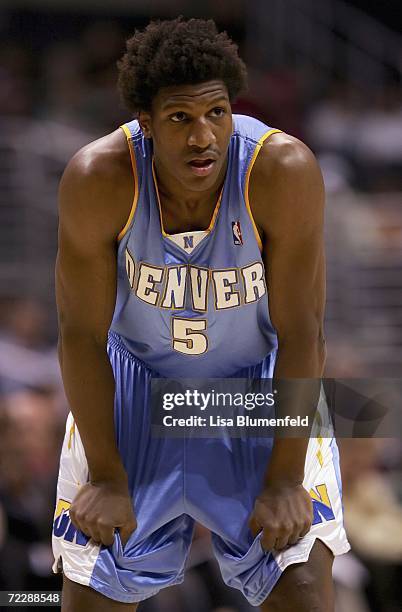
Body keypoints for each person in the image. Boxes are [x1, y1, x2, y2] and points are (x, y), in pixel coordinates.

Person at [52, 17, 350, 612]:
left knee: (305, 593)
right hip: (139, 386)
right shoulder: (99, 177)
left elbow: (301, 334)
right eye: (180, 119)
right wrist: (108, 478)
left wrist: (287, 480)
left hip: (255, 388)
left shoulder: (281, 170)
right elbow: (81, 337)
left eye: (216, 113)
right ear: (145, 121)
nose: (203, 137)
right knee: (87, 600)